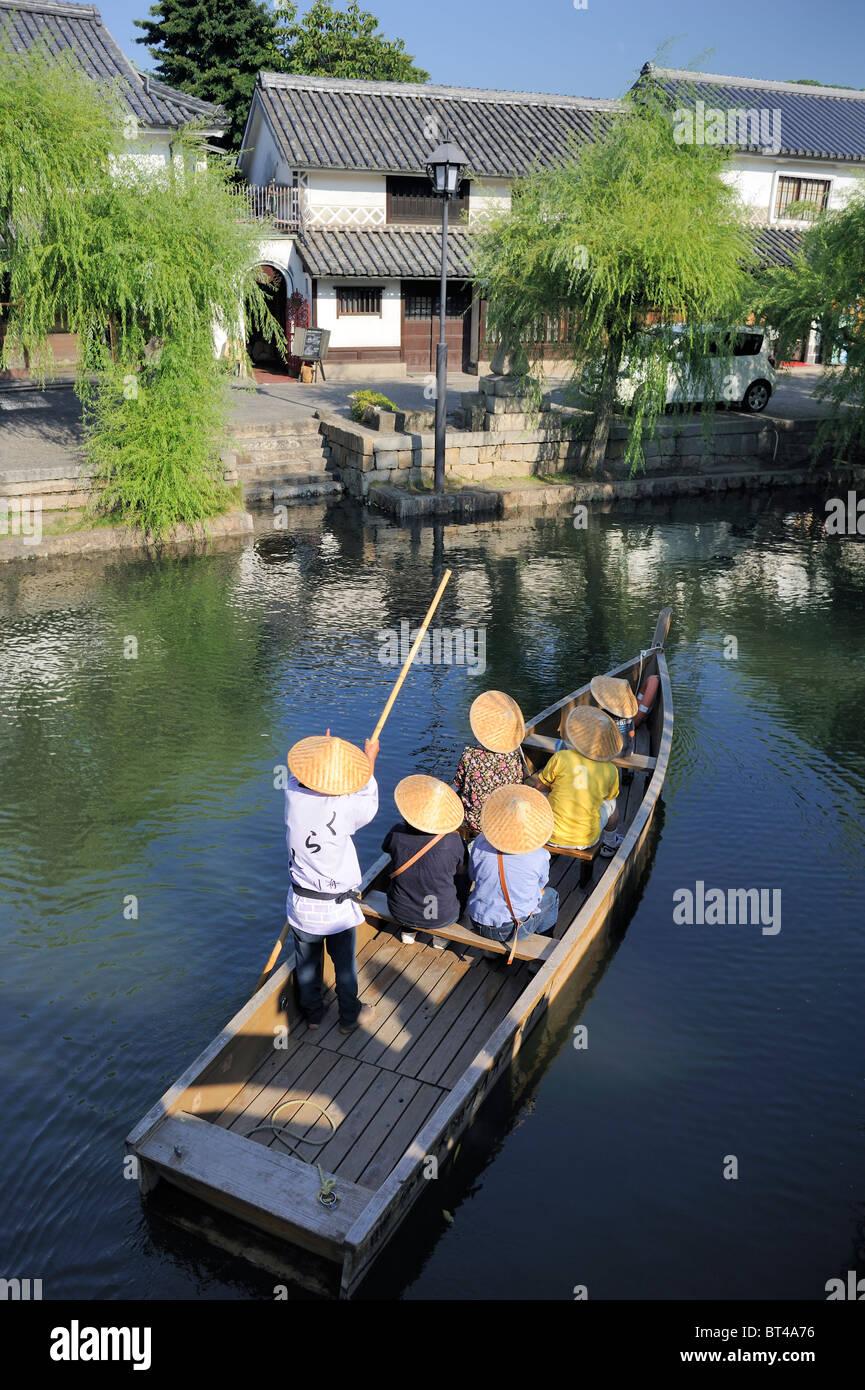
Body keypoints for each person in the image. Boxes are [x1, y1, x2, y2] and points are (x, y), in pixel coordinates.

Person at [285, 729, 379, 1034]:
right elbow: (367, 803)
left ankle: (312, 1015)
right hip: (336, 912)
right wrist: (369, 760)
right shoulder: (346, 807)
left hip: (302, 906)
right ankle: (349, 1017)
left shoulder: (292, 794)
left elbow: (298, 774)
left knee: (307, 966)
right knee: (344, 967)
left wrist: (319, 751)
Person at [467, 784, 559, 950]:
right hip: (512, 929)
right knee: (552, 896)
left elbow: (473, 876)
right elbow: (541, 885)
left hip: (478, 921)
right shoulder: (540, 855)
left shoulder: (480, 842)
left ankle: (490, 953)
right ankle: (541, 946)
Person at [381, 774, 467, 949]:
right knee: (460, 877)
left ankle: (408, 931)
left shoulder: (397, 833)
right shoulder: (453, 841)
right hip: (441, 915)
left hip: (401, 910)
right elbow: (462, 875)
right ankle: (440, 936)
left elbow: (386, 849)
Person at [528, 705, 622, 855]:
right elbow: (607, 797)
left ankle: (535, 838)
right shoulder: (611, 769)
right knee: (612, 804)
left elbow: (539, 786)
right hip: (586, 840)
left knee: (538, 792)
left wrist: (557, 788)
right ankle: (610, 843)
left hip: (549, 835)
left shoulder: (562, 757)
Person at [453, 690, 527, 839]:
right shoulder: (514, 756)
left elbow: (458, 783)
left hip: (475, 821)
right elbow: (518, 783)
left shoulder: (470, 754)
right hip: (502, 819)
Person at [590, 675, 638, 764]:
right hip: (627, 751)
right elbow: (631, 733)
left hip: (609, 753)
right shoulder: (628, 715)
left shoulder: (603, 714)